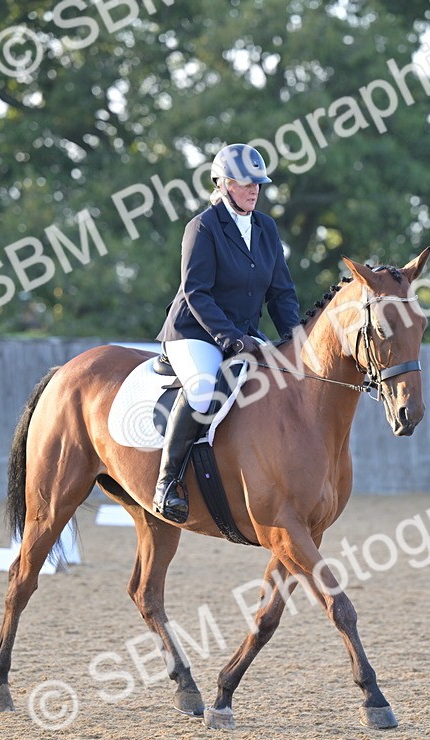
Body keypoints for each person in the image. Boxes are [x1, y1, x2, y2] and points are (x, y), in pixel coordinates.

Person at [152, 143, 302, 523]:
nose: (254, 190)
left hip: (244, 333)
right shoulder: (202, 226)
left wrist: (296, 340)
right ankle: (167, 482)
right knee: (203, 389)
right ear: (222, 184)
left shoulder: (266, 228)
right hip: (195, 332)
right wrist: (229, 338)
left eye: (258, 184)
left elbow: (280, 293)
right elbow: (195, 292)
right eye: (244, 183)